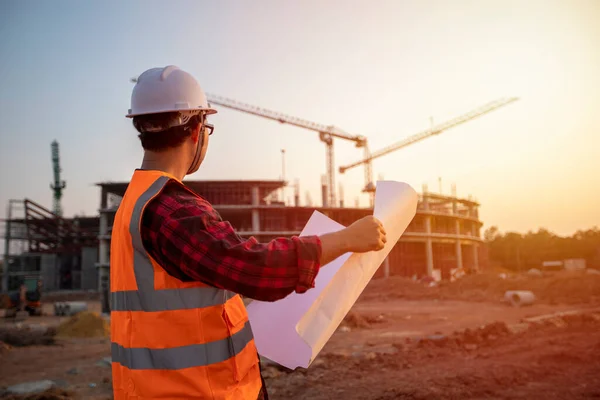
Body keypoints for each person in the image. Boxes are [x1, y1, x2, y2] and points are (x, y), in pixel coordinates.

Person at [110, 65, 387, 400]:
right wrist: (346, 240)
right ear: (198, 129)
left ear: (141, 127)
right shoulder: (173, 211)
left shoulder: (137, 199)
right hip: (200, 392)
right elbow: (255, 269)